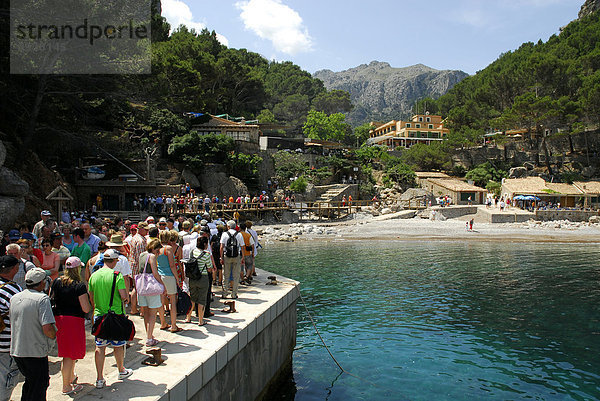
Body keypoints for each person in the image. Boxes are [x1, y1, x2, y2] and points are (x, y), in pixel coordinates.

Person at [88, 249, 133, 389]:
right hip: (116, 316)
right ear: (113, 261)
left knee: (100, 347)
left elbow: (91, 297)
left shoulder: (94, 276)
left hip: (99, 316)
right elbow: (124, 295)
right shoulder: (116, 275)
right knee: (118, 345)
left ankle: (99, 378)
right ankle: (121, 370)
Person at [10, 268, 56, 401]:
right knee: (39, 385)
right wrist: (54, 335)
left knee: (30, 383)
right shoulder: (42, 299)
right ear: (42, 283)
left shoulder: (15, 297)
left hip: (18, 350)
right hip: (35, 351)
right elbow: (47, 328)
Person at [50, 257, 90, 395]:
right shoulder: (79, 285)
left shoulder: (56, 282)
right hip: (73, 321)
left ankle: (71, 377)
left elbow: (52, 298)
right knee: (68, 355)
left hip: (59, 320)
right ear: (78, 268)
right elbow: (85, 308)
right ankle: (66, 386)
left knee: (70, 353)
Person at [0, 255, 22, 401]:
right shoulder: (13, 289)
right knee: (6, 377)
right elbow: (21, 316)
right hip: (6, 343)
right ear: (14, 268)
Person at [137, 239, 167, 346]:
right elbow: (155, 273)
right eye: (158, 251)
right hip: (151, 286)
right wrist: (163, 285)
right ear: (155, 249)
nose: (159, 253)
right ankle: (150, 338)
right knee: (153, 313)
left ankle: (149, 334)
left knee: (145, 312)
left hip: (141, 285)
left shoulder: (141, 255)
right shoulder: (152, 257)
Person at [157, 230, 182, 333]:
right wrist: (177, 278)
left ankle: (163, 322)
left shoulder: (157, 249)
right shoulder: (169, 249)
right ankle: (173, 325)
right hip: (169, 276)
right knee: (172, 301)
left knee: (161, 301)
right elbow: (172, 265)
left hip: (160, 275)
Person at [186, 236, 212, 326]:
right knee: (202, 300)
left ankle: (188, 317)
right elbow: (209, 268)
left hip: (192, 277)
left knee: (192, 298)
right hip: (203, 278)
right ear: (205, 244)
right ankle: (201, 320)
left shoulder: (192, 252)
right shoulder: (207, 254)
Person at [220, 220, 245, 299]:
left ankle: (225, 293)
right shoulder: (239, 235)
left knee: (226, 275)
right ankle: (234, 294)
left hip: (227, 256)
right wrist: (243, 257)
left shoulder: (224, 234)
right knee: (236, 276)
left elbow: (221, 247)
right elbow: (242, 246)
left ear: (228, 226)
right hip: (236, 256)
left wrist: (221, 257)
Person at [128, 222, 148, 315]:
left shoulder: (135, 238)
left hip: (134, 266)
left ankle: (134, 308)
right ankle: (140, 310)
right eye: (146, 229)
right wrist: (142, 270)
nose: (147, 231)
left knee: (136, 288)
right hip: (138, 267)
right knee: (139, 288)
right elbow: (140, 257)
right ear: (140, 229)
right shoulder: (139, 240)